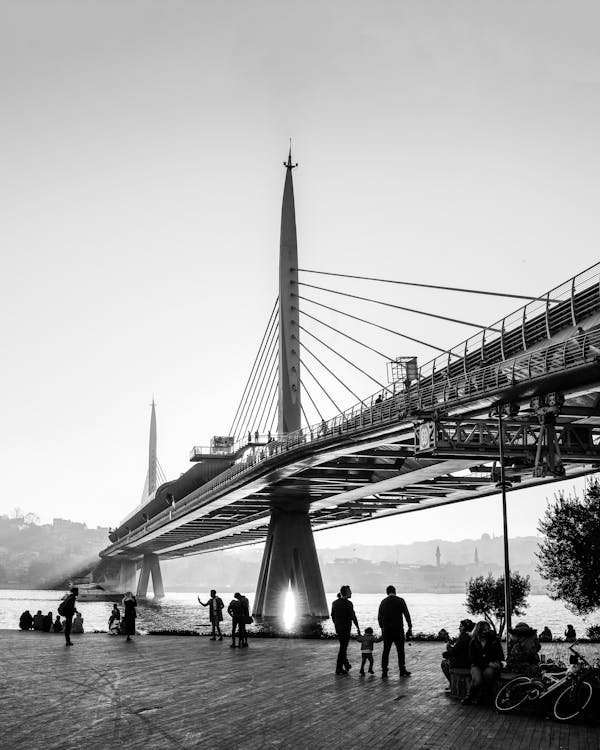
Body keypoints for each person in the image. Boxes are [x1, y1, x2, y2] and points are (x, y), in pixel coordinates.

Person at [461, 621, 504, 705]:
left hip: (491, 664)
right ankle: (469, 696)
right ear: (479, 631)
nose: (486, 631)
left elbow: (500, 656)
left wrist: (496, 663)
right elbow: (473, 659)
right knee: (477, 680)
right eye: (484, 630)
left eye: (488, 629)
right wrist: (487, 663)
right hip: (477, 664)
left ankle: (481, 696)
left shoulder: (494, 641)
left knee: (488, 673)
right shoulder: (473, 642)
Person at [377, 585, 413, 678]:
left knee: (386, 651)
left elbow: (379, 617)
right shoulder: (400, 600)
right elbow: (406, 613)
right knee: (400, 651)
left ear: (387, 592)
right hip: (398, 629)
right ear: (395, 591)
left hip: (387, 631)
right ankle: (402, 670)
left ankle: (384, 671)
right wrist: (409, 626)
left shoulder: (383, 602)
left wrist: (382, 628)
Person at [331, 585, 361, 675]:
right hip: (346, 628)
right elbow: (353, 616)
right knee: (343, 648)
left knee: (343, 647)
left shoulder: (334, 603)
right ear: (346, 593)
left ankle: (345, 665)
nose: (351, 593)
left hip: (338, 628)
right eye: (349, 591)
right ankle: (339, 668)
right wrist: (358, 627)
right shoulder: (349, 604)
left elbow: (332, 615)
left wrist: (336, 624)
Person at [441, 619, 474, 685]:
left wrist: (448, 646)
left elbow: (454, 652)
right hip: (469, 661)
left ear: (465, 628)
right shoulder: (470, 635)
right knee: (446, 655)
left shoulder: (464, 637)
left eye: (461, 626)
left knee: (444, 663)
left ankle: (452, 684)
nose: (459, 628)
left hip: (464, 663)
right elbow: (459, 648)